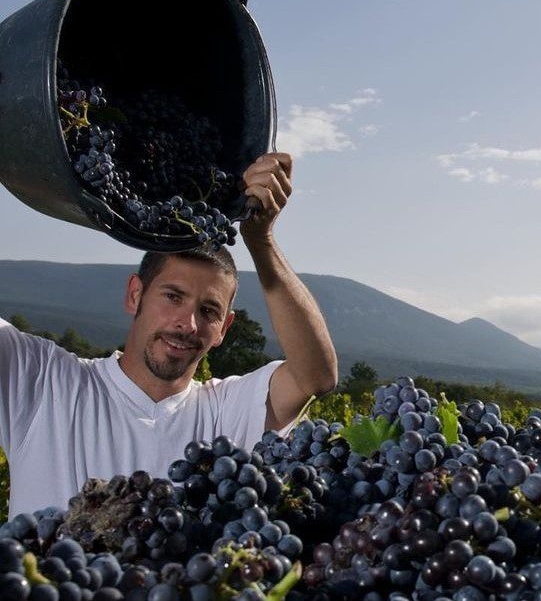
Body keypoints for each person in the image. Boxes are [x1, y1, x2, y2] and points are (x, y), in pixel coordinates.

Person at [0, 153, 338, 516]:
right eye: (173, 297)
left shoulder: (227, 410)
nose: (187, 323)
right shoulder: (43, 380)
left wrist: (262, 241)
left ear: (224, 328)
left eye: (208, 311)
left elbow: (314, 375)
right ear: (135, 295)